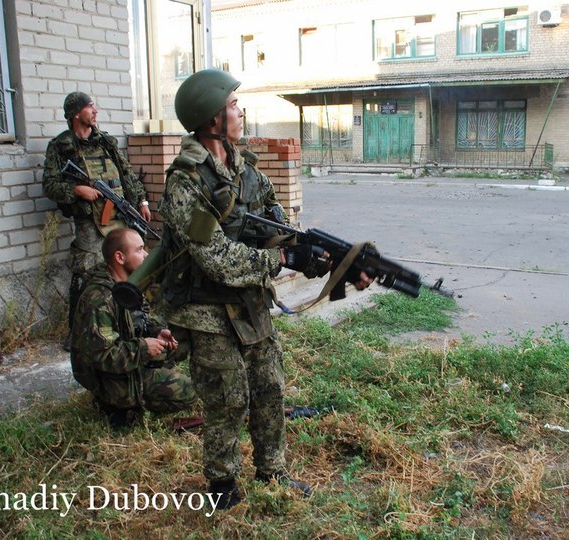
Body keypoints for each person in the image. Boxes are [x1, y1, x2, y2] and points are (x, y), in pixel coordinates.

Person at [158, 68, 373, 509]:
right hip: (205, 307)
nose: (241, 110)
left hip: (248, 301)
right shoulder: (185, 182)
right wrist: (278, 260)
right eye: (234, 104)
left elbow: (278, 227)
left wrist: (333, 261)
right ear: (212, 117)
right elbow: (215, 257)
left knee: (270, 386)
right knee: (227, 398)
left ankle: (272, 471)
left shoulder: (246, 167)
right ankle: (222, 485)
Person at [42, 92, 151, 350]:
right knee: (86, 275)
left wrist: (142, 202)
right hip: (90, 223)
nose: (95, 111)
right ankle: (78, 332)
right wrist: (78, 191)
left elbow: (127, 174)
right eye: (90, 107)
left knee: (129, 270)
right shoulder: (61, 146)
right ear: (76, 114)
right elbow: (50, 185)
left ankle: (131, 323)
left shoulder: (106, 142)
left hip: (120, 217)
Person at [70, 227, 196, 428]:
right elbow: (100, 356)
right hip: (109, 378)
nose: (146, 255)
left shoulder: (128, 285)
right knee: (190, 392)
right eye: (138, 250)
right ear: (120, 257)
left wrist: (156, 332)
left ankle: (139, 393)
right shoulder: (100, 298)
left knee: (176, 349)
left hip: (126, 363)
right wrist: (144, 348)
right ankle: (117, 406)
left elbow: (141, 318)